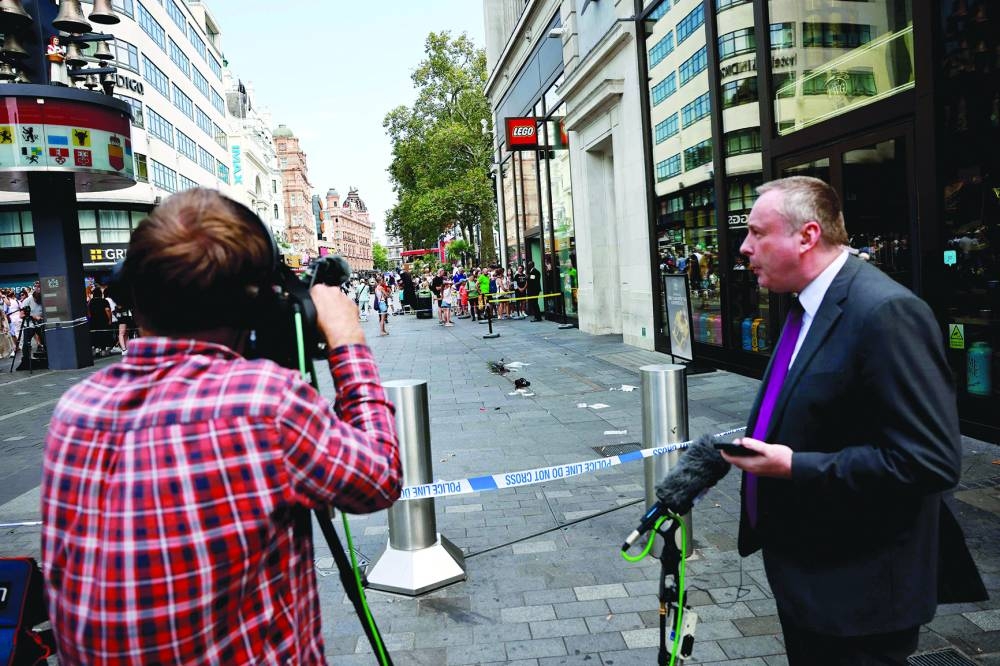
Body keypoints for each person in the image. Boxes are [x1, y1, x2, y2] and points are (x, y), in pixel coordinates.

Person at [41, 188, 401, 665]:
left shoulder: (75, 410)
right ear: (252, 307)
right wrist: (348, 343)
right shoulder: (263, 404)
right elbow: (378, 477)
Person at [722, 176, 983, 665]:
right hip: (809, 577)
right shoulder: (805, 306)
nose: (744, 247)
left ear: (807, 236)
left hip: (859, 597)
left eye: (757, 233)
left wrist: (794, 466)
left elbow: (930, 462)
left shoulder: (886, 312)